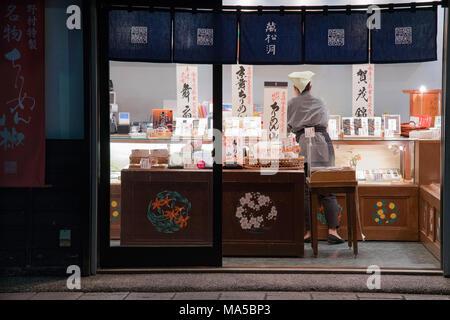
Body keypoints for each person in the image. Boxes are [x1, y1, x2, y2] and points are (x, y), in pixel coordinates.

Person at [287, 71, 344, 245]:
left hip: (303, 145)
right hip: (323, 146)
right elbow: (325, 121)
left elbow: (289, 126)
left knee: (305, 191)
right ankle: (333, 231)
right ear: (310, 87)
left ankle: (308, 232)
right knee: (327, 188)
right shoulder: (320, 102)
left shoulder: (291, 103)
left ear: (295, 88)